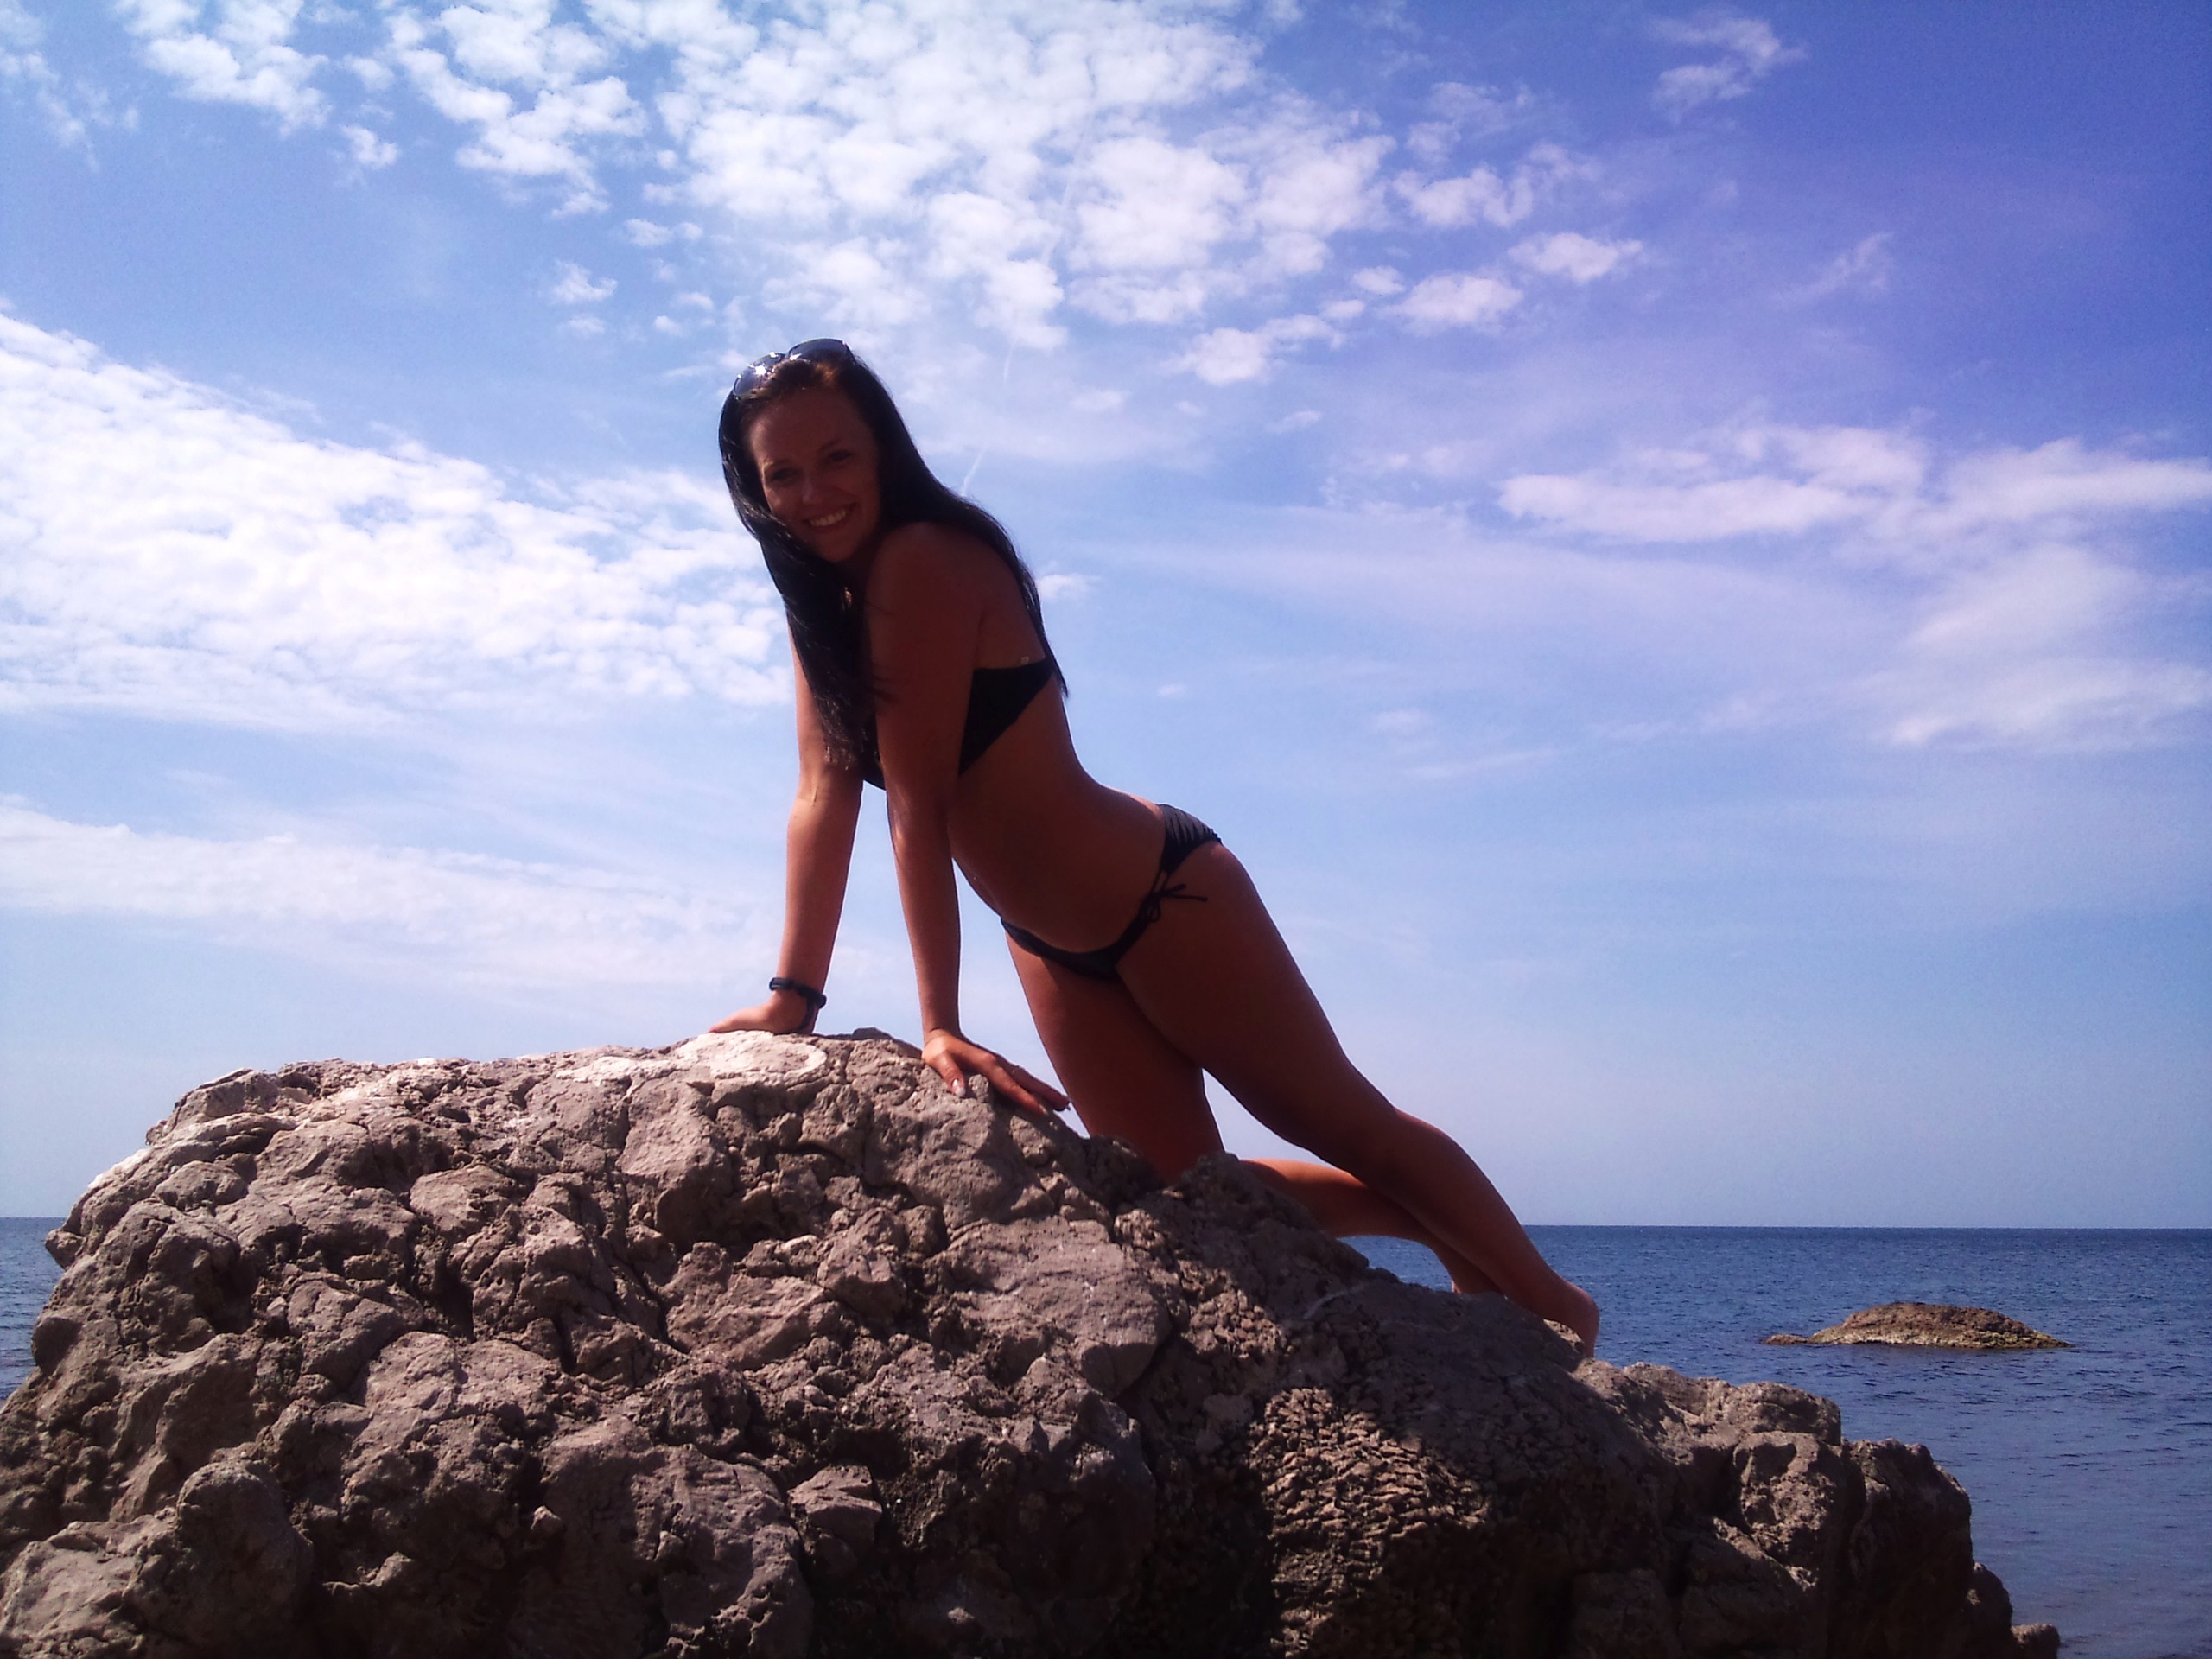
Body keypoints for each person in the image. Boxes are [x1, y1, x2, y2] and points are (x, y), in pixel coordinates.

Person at [709, 340, 1599, 1356]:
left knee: (1346, 1122)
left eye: (838, 458)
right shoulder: (822, 610)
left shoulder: (925, 560)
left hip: (1162, 897)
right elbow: (821, 797)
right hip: (1049, 941)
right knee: (1184, 1197)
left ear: (882, 451)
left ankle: (1558, 1312)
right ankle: (1426, 1226)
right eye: (784, 473)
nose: (815, 493)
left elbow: (916, 804)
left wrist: (940, 1024)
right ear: (755, 490)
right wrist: (793, 998)